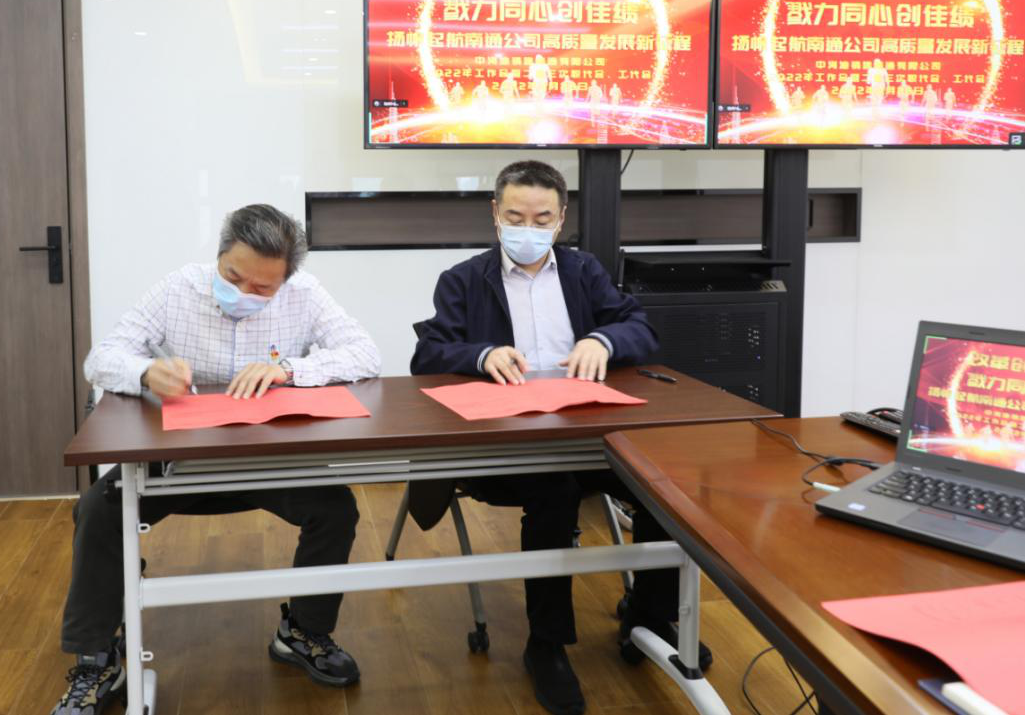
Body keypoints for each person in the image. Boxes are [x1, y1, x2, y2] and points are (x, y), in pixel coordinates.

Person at [51, 205, 381, 715]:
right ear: (220, 255)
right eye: (233, 277)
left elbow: (365, 354)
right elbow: (101, 358)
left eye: (262, 288)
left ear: (285, 280)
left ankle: (303, 632)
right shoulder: (177, 289)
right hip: (177, 459)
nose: (244, 292)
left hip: (265, 457)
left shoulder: (305, 294)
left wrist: (289, 370)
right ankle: (99, 659)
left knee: (335, 508)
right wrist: (145, 372)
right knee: (97, 510)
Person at [411, 161, 708, 715]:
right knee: (554, 492)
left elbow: (640, 327)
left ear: (561, 218)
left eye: (542, 218)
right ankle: (546, 644)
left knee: (660, 483)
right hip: (507, 444)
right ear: (495, 213)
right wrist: (480, 354)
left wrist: (603, 339)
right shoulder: (463, 279)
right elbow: (428, 355)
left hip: (586, 432)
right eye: (516, 216)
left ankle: (647, 615)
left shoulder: (583, 270)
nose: (529, 228)